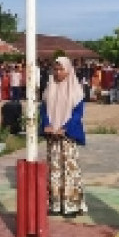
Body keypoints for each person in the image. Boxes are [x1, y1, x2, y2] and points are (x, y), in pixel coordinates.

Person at [39, 56, 87, 217]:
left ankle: (71, 205)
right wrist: (47, 124)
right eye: (56, 69)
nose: (58, 72)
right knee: (54, 169)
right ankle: (55, 204)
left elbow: (77, 114)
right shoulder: (49, 87)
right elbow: (44, 110)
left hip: (67, 136)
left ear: (68, 70)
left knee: (69, 169)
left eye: (61, 69)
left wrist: (65, 128)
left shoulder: (76, 90)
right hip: (52, 136)